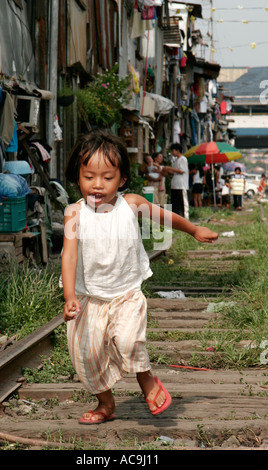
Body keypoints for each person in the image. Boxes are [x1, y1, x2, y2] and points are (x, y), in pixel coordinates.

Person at [61, 129, 218, 425]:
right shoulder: (74, 214)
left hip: (126, 293)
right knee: (88, 357)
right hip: (88, 297)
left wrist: (194, 230)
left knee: (129, 341)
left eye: (107, 178)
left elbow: (165, 216)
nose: (97, 185)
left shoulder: (130, 203)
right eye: (89, 177)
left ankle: (146, 380)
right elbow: (68, 255)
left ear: (121, 180)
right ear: (77, 177)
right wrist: (69, 297)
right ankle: (105, 403)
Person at [162, 143, 189, 219]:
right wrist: (167, 169)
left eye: (173, 151)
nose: (172, 152)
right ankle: (177, 218)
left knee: (182, 203)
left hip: (181, 185)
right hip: (175, 185)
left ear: (177, 150)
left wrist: (170, 168)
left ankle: (185, 218)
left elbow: (181, 171)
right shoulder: (176, 160)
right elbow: (174, 172)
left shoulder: (183, 159)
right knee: (176, 203)